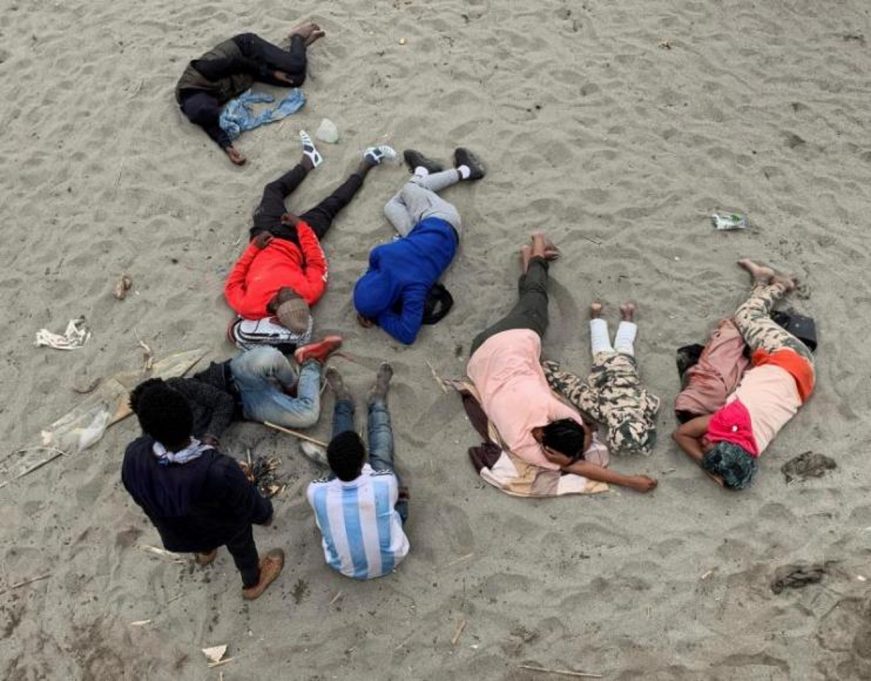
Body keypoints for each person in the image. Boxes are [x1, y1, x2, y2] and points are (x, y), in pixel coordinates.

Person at [466, 233, 658, 493]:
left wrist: (628, 480)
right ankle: (537, 244)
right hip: (486, 352)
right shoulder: (536, 429)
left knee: (532, 299)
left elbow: (579, 454)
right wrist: (628, 481)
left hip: (511, 341)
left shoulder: (536, 429)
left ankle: (533, 258)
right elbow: (577, 462)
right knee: (535, 296)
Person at [121, 380, 282, 599]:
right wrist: (265, 515)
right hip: (222, 528)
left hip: (178, 535)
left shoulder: (133, 455)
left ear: (147, 429)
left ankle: (206, 552)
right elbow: (255, 509)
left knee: (198, 527)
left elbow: (139, 495)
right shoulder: (218, 469)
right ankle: (253, 582)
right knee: (241, 541)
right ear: (190, 418)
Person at [224, 137, 394, 338]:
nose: (291, 290)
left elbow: (233, 282)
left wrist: (254, 247)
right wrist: (301, 227)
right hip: (296, 239)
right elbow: (316, 261)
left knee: (272, 190)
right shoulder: (309, 293)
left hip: (263, 234)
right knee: (333, 204)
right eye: (294, 294)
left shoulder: (248, 306)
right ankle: (366, 164)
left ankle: (308, 162)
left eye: (288, 294)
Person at [672, 259, 816, 489]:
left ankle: (764, 281)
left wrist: (716, 469)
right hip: (786, 356)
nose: (705, 444)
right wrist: (705, 465)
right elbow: (681, 435)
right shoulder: (728, 422)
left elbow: (736, 478)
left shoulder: (754, 446)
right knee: (746, 315)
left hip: (802, 380)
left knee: (744, 333)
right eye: (710, 447)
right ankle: (781, 284)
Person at [353, 148, 485, 344]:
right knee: (409, 190)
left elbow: (407, 333)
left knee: (391, 207)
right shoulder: (383, 255)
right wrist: (375, 312)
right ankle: (465, 170)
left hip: (435, 236)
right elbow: (373, 262)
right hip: (442, 219)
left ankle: (423, 171)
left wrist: (379, 315)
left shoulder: (413, 289)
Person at [128, 337, 343, 448]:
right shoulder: (159, 432)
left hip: (233, 374)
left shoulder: (175, 385)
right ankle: (312, 364)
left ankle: (292, 383)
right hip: (248, 406)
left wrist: (211, 436)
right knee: (308, 416)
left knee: (272, 357)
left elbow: (223, 402)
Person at [306, 363, 410, 579]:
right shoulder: (384, 483)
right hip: (392, 558)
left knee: (340, 439)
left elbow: (323, 485)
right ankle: (378, 402)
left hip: (345, 568)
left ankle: (343, 402)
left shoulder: (316, 491)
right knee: (382, 454)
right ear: (363, 461)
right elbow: (387, 491)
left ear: (331, 469)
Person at [175, 23, 325, 164]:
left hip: (246, 49)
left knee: (296, 65)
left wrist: (272, 74)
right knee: (296, 79)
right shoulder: (195, 108)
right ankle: (298, 51)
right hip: (249, 75)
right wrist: (228, 148)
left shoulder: (202, 71)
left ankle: (296, 37)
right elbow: (210, 125)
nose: (219, 105)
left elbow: (238, 62)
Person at [543, 302, 661, 456]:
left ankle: (625, 316)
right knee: (601, 343)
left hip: (625, 366)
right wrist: (554, 376)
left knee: (624, 343)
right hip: (604, 367)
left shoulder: (643, 408)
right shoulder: (603, 412)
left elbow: (654, 400)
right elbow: (578, 392)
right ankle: (596, 316)